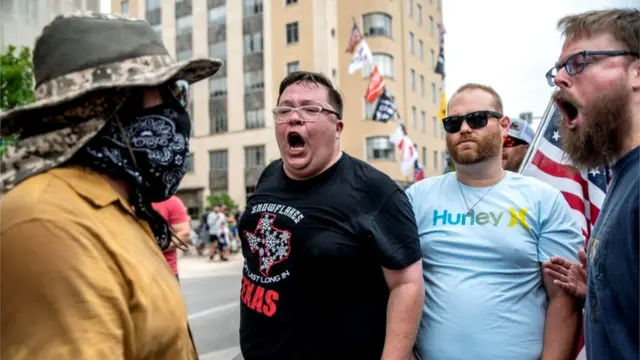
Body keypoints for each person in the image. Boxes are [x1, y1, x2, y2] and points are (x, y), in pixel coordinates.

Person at [0, 12, 222, 359]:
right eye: (168, 90)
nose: (177, 109)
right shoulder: (49, 224)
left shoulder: (116, 207)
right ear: (112, 104)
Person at [237, 71, 424, 360]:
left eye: (311, 109)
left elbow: (407, 285)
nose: (294, 117)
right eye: (284, 109)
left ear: (337, 127)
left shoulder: (375, 191)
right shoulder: (270, 175)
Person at [405, 83, 584, 360]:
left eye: (477, 119)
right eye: (453, 123)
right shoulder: (417, 197)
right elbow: (400, 285)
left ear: (503, 125)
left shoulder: (543, 199)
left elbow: (563, 299)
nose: (464, 128)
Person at [542, 8, 639, 359]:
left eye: (579, 62)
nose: (560, 80)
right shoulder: (622, 178)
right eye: (558, 69)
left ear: (637, 72)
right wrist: (599, 290)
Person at [153, 195, 192, 280]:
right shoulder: (125, 198)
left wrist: (153, 248)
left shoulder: (170, 201)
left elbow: (184, 234)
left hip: (164, 274)